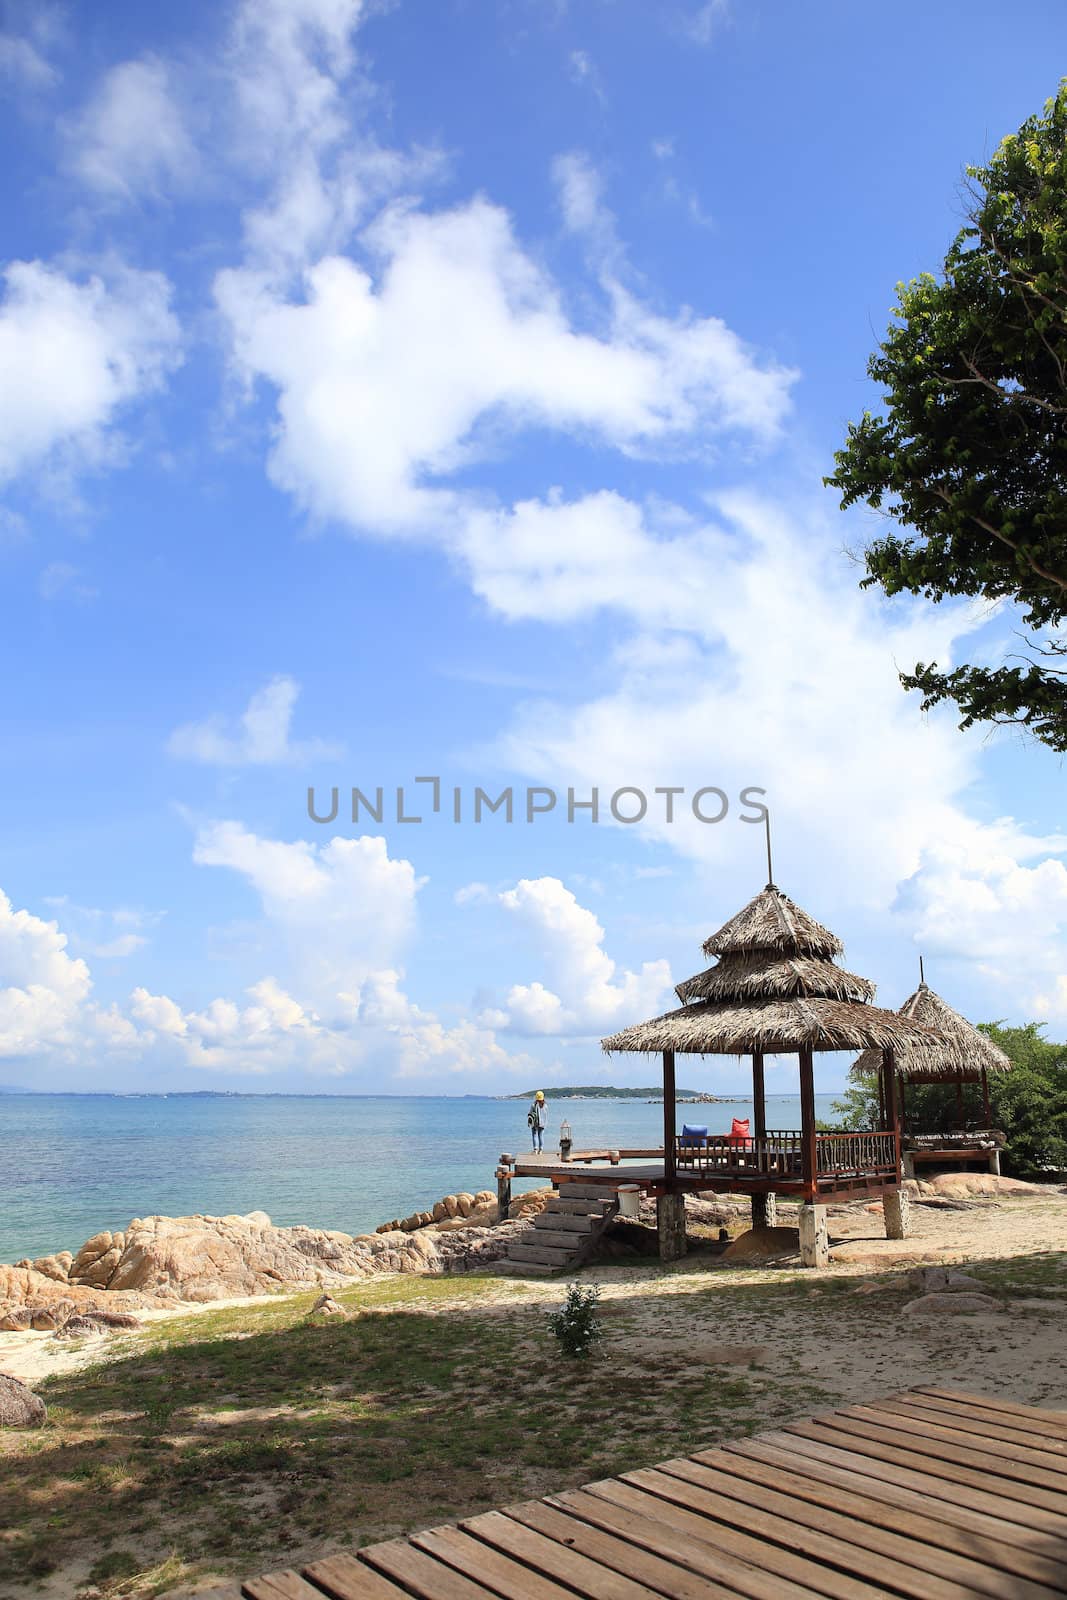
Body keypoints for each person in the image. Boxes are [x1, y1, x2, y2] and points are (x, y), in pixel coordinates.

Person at [527, 1089, 548, 1153]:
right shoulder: (545, 1105)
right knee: (541, 1136)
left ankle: (535, 1149)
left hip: (535, 1123)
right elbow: (546, 1115)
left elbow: (530, 1113)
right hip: (543, 1123)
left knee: (534, 1135)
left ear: (536, 1097)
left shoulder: (534, 1105)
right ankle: (541, 1150)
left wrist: (529, 1122)